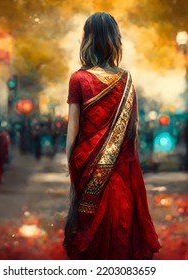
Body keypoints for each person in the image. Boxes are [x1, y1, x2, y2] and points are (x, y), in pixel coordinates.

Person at [63, 12, 161, 260]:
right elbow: (133, 132)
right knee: (121, 227)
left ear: (87, 39)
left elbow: (72, 129)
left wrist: (72, 164)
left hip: (87, 165)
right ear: (115, 40)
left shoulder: (79, 79)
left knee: (89, 229)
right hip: (123, 169)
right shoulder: (126, 80)